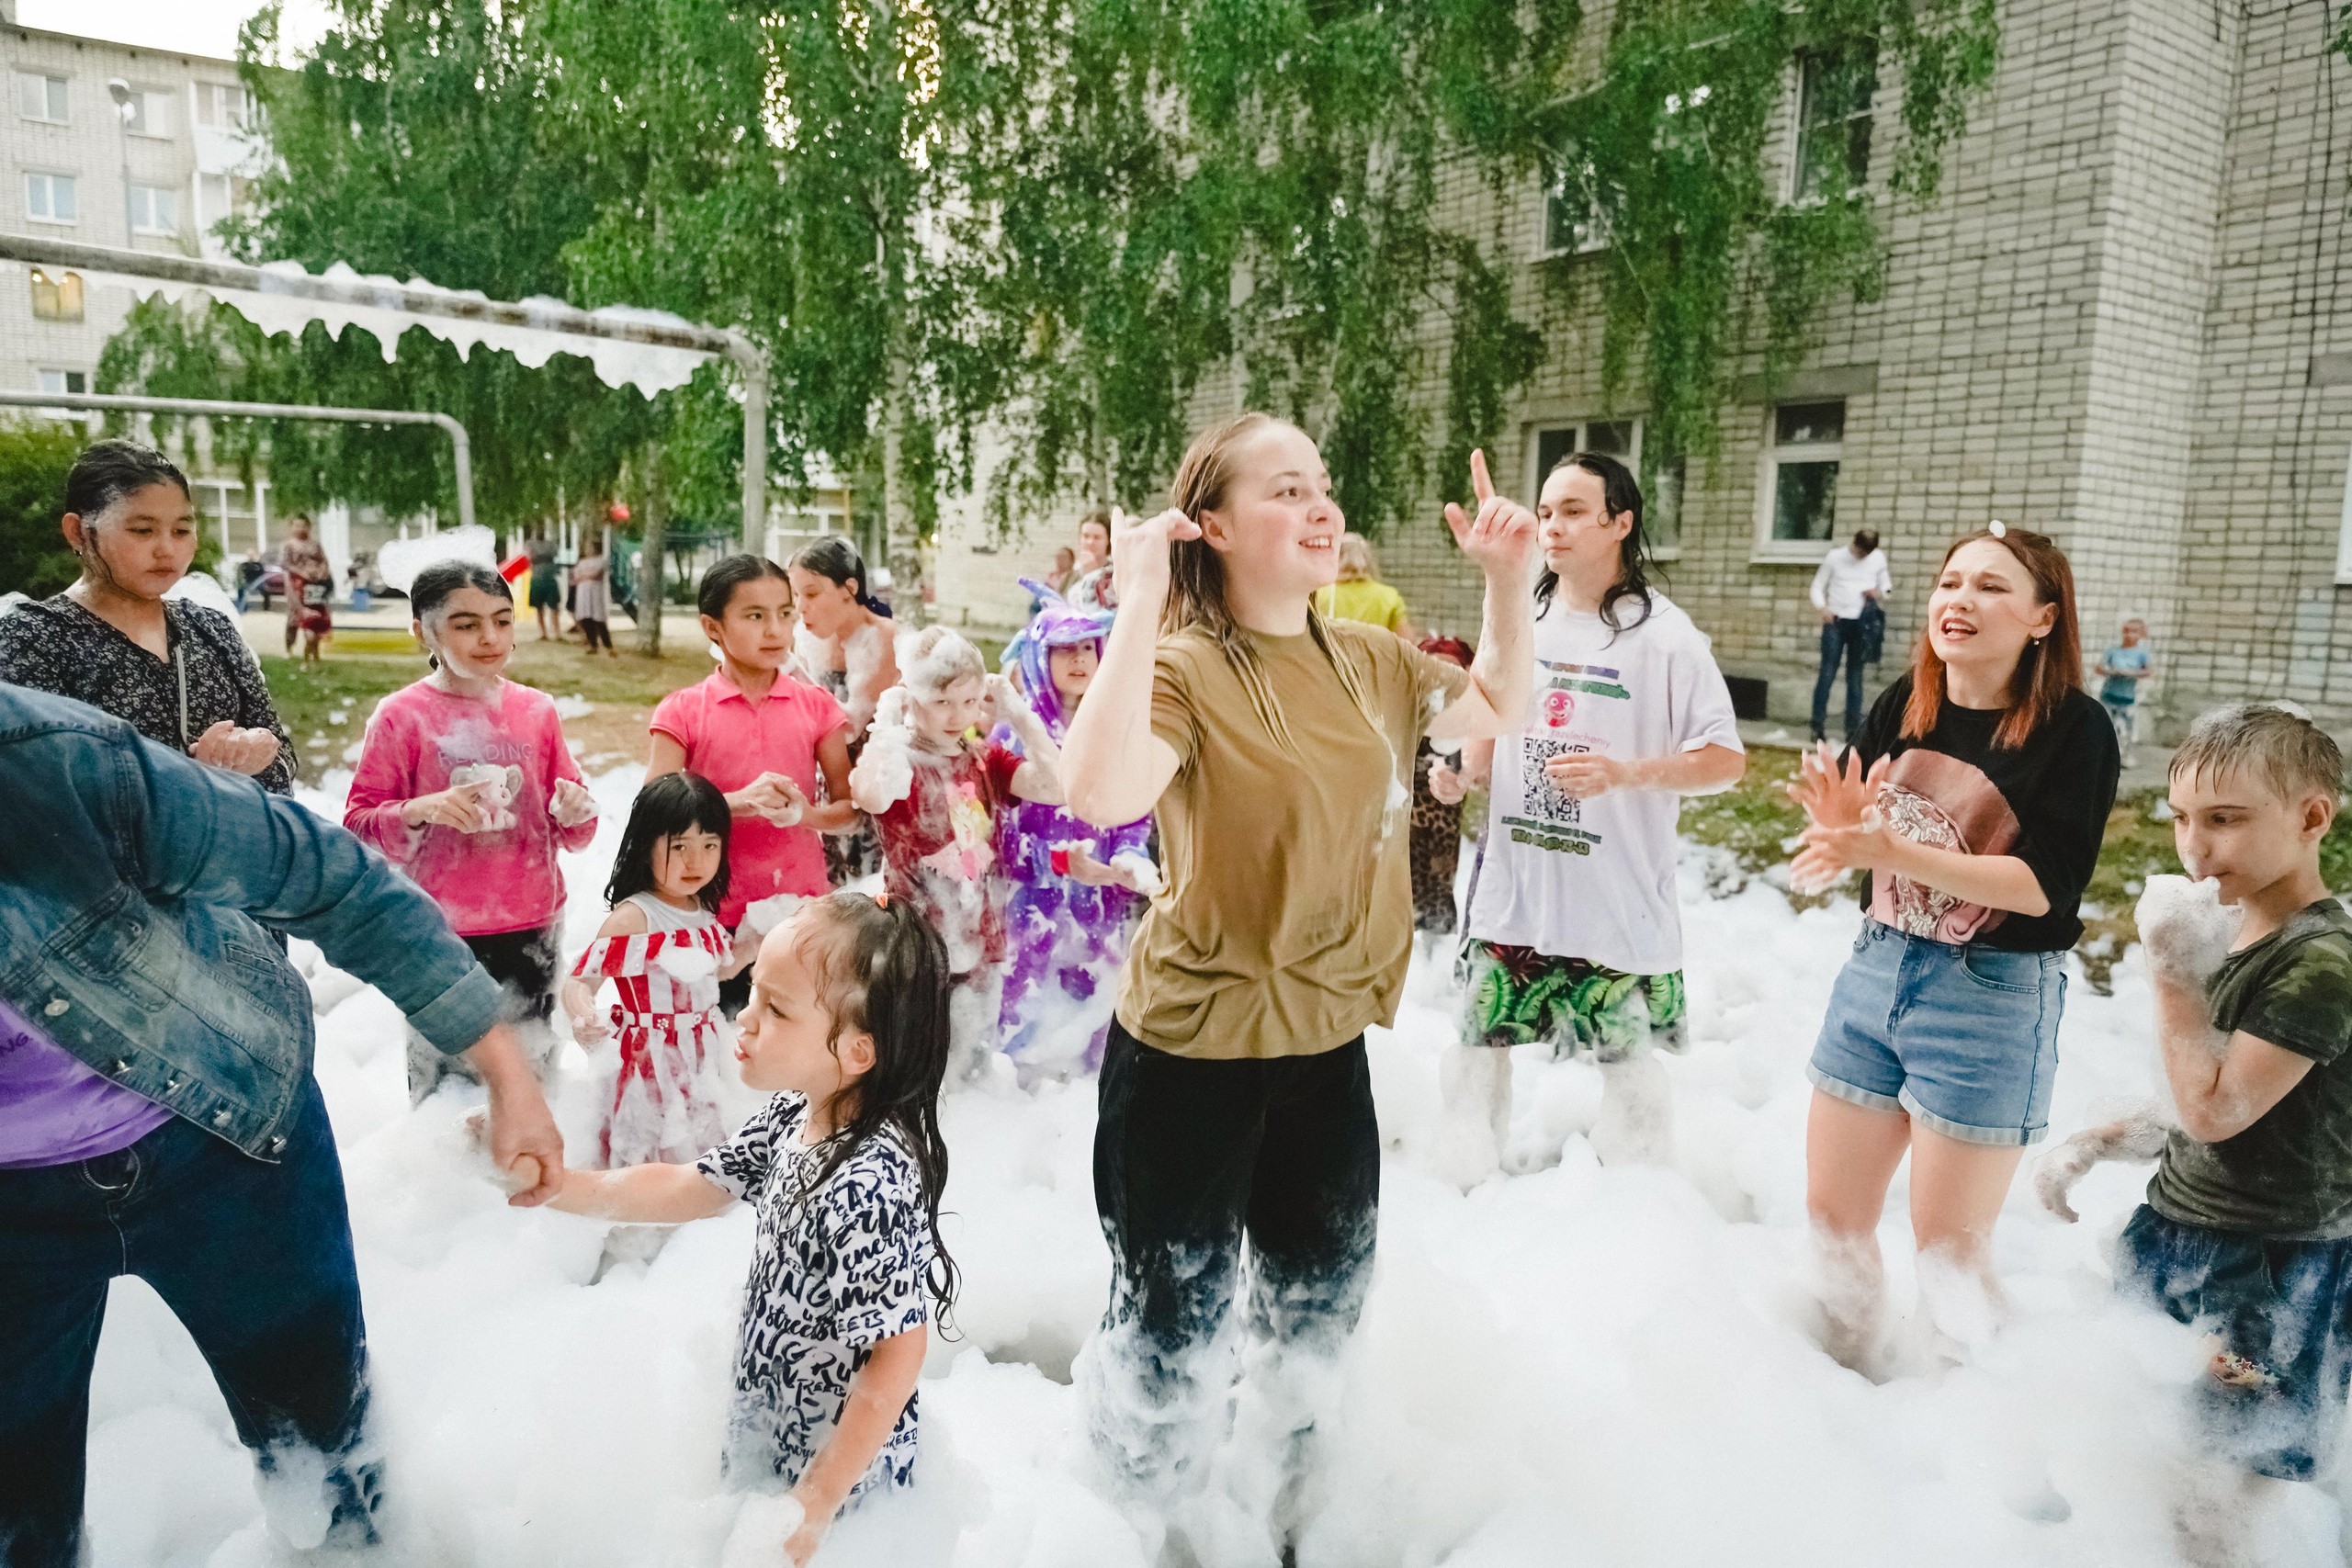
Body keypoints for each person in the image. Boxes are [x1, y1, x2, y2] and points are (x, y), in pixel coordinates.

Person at [1056, 413, 1535, 1556]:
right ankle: (1147, 1536)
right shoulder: (1179, 669)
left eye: (1321, 484)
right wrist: (1133, 602)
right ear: (1209, 526)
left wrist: (1510, 588)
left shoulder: (1368, 659)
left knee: (1317, 1317)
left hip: (1325, 1050)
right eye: (1283, 491)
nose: (1319, 506)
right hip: (1189, 1057)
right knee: (1168, 1329)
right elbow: (1098, 791)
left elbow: (1487, 716)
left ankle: (1289, 1527)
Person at [0, 682, 564, 1568]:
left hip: (226, 1137)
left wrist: (504, 1070)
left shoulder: (51, 760)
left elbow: (328, 874)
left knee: (329, 1456)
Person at [1788, 521, 2117, 1374]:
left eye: (1991, 586)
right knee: (1833, 1223)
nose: (1959, 599)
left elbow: (2044, 884)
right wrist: (1834, 839)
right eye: (1949, 581)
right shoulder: (1907, 700)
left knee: (1951, 1260)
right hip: (1876, 971)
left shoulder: (2077, 730)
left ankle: (1971, 1448)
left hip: (1990, 995)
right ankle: (1837, 1393)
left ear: (2044, 617)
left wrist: (1889, 852)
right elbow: (1858, 817)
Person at [541, 893, 954, 1566]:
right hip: (771, 1437)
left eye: (777, 1009)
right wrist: (558, 1187)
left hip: (845, 1491)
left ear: (856, 1049)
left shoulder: (868, 1180)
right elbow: (692, 1186)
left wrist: (814, 1503)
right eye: (752, 992)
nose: (746, 1019)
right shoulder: (795, 1114)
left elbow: (899, 1355)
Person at [1430, 453, 1746, 1184]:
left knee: (1629, 1072)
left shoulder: (1666, 637)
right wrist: (1466, 773)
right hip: (1516, 892)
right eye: (1545, 511)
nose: (1552, 525)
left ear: (1621, 522)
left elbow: (1725, 760)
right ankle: (1462, 1198)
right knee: (1477, 1053)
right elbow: (1494, 710)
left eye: (1573, 509)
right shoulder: (1525, 615)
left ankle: (1632, 1217)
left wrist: (1626, 774)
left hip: (1615, 904)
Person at [2104, 705, 2352, 1559]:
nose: (2194, 847)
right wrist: (2105, 1139)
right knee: (2147, 1435)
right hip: (2182, 1229)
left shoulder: (2321, 962)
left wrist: (2172, 974)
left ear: (2313, 817)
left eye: (2225, 819)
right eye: (2180, 818)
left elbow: (2219, 1107)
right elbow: (2203, 1100)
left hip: (2270, 1262)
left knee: (2230, 1466)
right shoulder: (2244, 925)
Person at [342, 562, 601, 1103]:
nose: (490, 638)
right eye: (465, 624)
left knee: (530, 1082)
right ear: (422, 631)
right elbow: (359, 828)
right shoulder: (401, 717)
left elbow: (574, 826)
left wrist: (576, 811)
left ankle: (529, 1184)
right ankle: (449, 1187)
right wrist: (420, 809)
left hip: (533, 923)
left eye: (503, 621)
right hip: (437, 930)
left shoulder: (535, 711)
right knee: (446, 1093)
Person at [0, 440, 293, 795]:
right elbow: (38, 793)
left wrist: (254, 753)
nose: (167, 549)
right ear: (78, 531)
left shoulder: (211, 629)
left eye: (182, 530)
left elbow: (281, 758)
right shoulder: (34, 638)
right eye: (143, 530)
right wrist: (198, 780)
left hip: (234, 849)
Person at [849, 626, 1067, 1072]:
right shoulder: (900, 762)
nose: (956, 715)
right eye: (942, 702)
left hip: (980, 936)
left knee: (970, 1065)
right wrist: (886, 724)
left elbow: (1060, 787)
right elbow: (870, 796)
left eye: (969, 702)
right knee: (913, 1064)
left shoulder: (986, 759)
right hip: (916, 941)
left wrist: (1019, 716)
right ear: (912, 698)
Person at [649, 556, 857, 1013]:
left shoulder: (817, 706)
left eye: (785, 613)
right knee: (721, 1051)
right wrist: (736, 803)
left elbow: (850, 812)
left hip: (797, 912)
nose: (775, 630)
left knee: (796, 1049)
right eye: (755, 616)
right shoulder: (682, 711)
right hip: (709, 913)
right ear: (712, 627)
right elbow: (654, 812)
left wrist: (805, 814)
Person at [995, 582, 1158, 1075]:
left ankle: (1085, 1087)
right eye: (1062, 650)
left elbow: (1132, 810)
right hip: (1032, 905)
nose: (1078, 659)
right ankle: (1015, 1088)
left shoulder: (1115, 732)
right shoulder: (1015, 735)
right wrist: (1058, 862)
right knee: (1024, 1002)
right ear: (1038, 660)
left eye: (1086, 647)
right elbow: (999, 834)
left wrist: (1130, 856)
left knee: (1096, 1001)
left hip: (1098, 904)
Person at [563, 771, 750, 1168]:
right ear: (646, 846)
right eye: (680, 846)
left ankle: (699, 1223)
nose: (696, 860)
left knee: (706, 1142)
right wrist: (583, 1017)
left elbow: (707, 978)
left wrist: (761, 940)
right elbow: (581, 980)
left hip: (705, 1056)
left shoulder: (700, 909)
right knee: (651, 1152)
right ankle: (642, 1223)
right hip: (651, 1059)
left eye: (709, 845)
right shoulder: (636, 917)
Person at [787, 536, 900, 886]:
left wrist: (792, 672)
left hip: (872, 786)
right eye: (795, 596)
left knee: (869, 895)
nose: (800, 607)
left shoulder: (884, 637)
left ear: (849, 588)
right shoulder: (806, 638)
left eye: (811, 593)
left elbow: (849, 726)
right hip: (825, 779)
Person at [1409, 636, 1476, 941]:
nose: (1443, 680)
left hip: (1441, 831)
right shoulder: (1406, 714)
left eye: (1453, 671)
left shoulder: (1470, 723)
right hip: (1401, 828)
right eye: (1434, 670)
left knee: (1437, 898)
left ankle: (1433, 967)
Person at [1809, 528, 1893, 744]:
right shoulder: (1835, 557)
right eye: (1859, 551)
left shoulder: (1878, 558)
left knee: (1855, 676)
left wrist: (1879, 592)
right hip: (1836, 622)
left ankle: (1852, 729)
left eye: (1866, 553)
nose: (1861, 556)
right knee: (1827, 673)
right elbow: (1817, 587)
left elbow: (1887, 587)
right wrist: (1823, 609)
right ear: (1853, 543)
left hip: (1862, 624)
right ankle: (1817, 726)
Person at [1311, 532, 1418, 640]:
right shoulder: (1389, 596)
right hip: (1375, 656)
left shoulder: (1318, 594)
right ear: (1368, 559)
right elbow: (1406, 641)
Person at [2096, 615, 2155, 766]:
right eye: (2127, 631)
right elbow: (2099, 667)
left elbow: (2148, 671)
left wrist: (2131, 673)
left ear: (2141, 635)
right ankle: (2103, 757)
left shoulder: (2142, 653)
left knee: (2125, 729)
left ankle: (2123, 757)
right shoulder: (2114, 650)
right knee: (2105, 727)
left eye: (2135, 632)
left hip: (2127, 696)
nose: (2130, 635)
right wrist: (2113, 671)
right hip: (2109, 694)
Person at [277, 514, 330, 659]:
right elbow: (284, 563)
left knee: (316, 614)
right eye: (297, 525)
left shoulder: (315, 545)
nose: (300, 529)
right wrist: (302, 572)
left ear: (309, 527)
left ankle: (314, 650)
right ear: (292, 528)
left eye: (303, 525)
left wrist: (320, 573)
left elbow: (324, 561)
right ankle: (289, 648)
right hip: (295, 583)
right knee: (294, 615)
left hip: (314, 584)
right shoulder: (288, 545)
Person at [572, 528, 616, 657]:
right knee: (586, 619)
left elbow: (595, 574)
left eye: (589, 547)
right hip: (583, 593)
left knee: (599, 620)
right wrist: (586, 576)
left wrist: (584, 576)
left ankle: (609, 646)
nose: (587, 550)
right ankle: (593, 644)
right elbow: (576, 576)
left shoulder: (601, 560)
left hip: (595, 593)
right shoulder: (581, 562)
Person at [1069, 507, 1117, 615]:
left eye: (1097, 537)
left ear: (1108, 540)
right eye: (1086, 536)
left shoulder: (1113, 573)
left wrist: (1092, 574)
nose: (1090, 542)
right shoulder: (1072, 571)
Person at [526, 527, 562, 640]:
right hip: (537, 578)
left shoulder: (550, 544)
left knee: (554, 606)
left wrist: (539, 558)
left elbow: (553, 555)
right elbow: (530, 557)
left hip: (550, 578)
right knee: (539, 607)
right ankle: (543, 633)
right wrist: (544, 557)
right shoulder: (530, 544)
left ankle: (557, 632)